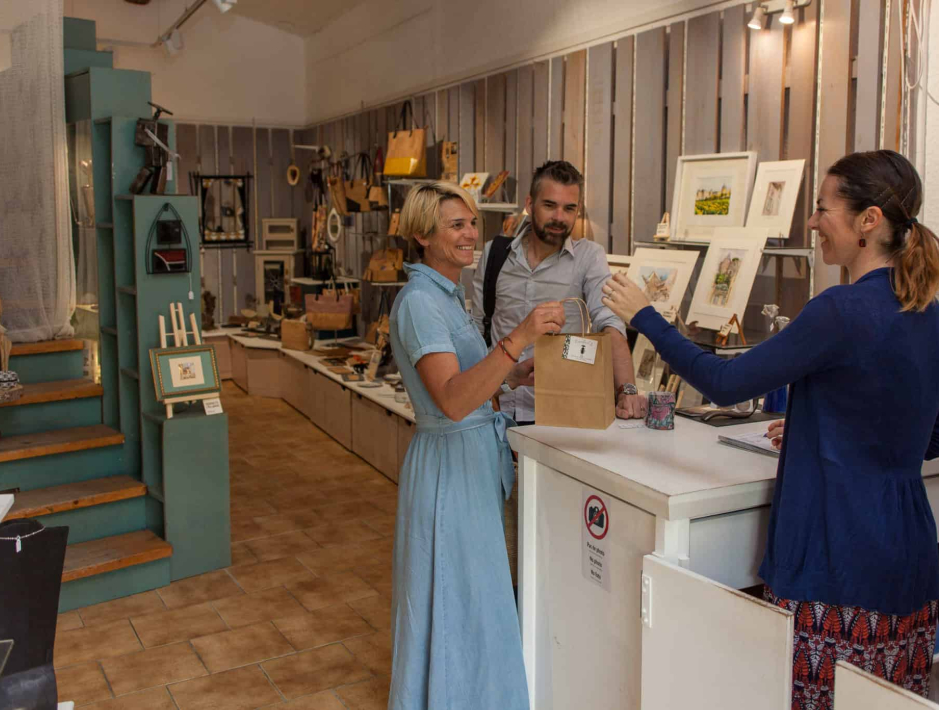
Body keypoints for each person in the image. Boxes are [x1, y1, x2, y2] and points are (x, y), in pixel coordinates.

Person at [601, 149, 939, 709]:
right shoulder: (927, 310)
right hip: (909, 559)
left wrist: (646, 316)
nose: (811, 222)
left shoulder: (841, 310)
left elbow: (725, 381)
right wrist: (825, 427)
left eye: (823, 208)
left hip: (835, 561)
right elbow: (927, 432)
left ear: (868, 221)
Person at [388, 182, 566, 710]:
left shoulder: (443, 294)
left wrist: (511, 375)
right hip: (449, 468)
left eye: (472, 222)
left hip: (466, 462)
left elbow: (468, 382)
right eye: (456, 225)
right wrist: (520, 338)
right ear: (422, 235)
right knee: (458, 597)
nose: (472, 234)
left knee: (471, 597)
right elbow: (451, 400)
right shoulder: (420, 303)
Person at [472, 160, 647, 424]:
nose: (559, 218)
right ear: (530, 205)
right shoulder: (494, 253)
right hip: (495, 409)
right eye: (550, 205)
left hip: (562, 415)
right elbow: (476, 328)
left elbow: (610, 325)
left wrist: (627, 390)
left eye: (569, 208)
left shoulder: (589, 257)